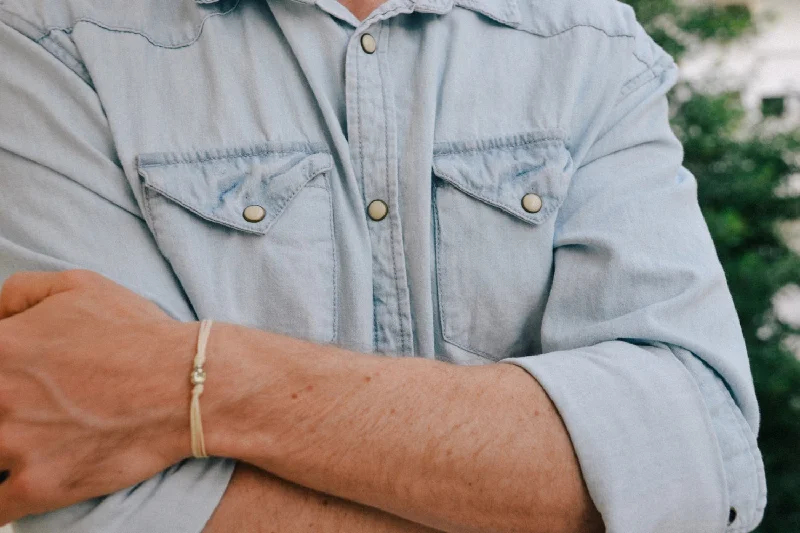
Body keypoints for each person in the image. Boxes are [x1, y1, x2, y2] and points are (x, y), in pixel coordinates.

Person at [0, 0, 766, 531]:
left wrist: (196, 380)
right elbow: (88, 499)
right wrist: (561, 494)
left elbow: (698, 457)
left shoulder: (587, 40)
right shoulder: (50, 37)